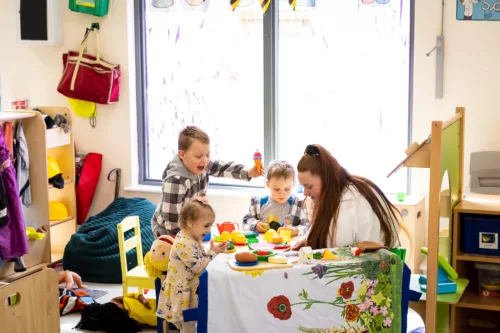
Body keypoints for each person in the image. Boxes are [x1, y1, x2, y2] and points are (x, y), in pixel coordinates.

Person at [151, 126, 263, 238]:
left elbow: (224, 167)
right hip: (167, 234)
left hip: (188, 225)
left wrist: (248, 172)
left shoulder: (202, 164)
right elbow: (171, 222)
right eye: (198, 156)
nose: (205, 160)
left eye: (207, 155)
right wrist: (186, 241)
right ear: (182, 154)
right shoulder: (175, 181)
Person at [293, 144, 402, 250]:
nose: (305, 192)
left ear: (326, 178)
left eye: (309, 186)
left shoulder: (352, 201)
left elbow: (338, 246)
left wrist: (312, 242)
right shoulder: (336, 193)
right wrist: (308, 240)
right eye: (303, 187)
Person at [157, 200, 228, 333]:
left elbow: (196, 257)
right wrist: (213, 253)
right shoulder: (184, 243)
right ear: (190, 223)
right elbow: (198, 267)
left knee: (189, 324)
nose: (209, 230)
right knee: (187, 325)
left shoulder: (190, 238)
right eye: (206, 225)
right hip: (182, 292)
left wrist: (209, 252)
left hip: (188, 288)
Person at [242, 160, 309, 236]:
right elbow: (245, 221)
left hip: (289, 245)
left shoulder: (299, 204)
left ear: (293, 185)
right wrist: (256, 224)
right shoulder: (257, 202)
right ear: (268, 184)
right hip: (263, 246)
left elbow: (307, 226)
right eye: (276, 189)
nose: (282, 194)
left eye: (287, 189)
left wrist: (296, 230)